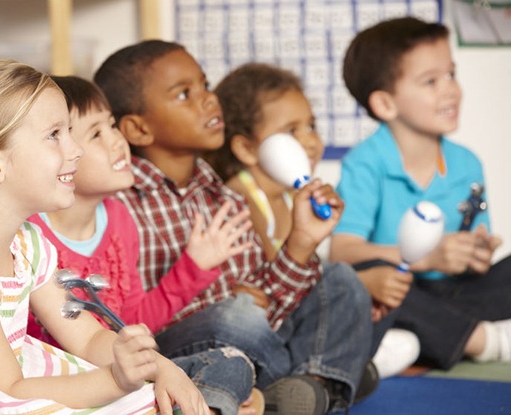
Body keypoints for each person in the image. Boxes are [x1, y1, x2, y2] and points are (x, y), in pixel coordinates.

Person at [0, 58, 210, 415]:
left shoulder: (26, 244)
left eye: (69, 132)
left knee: (151, 398)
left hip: (4, 387)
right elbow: (4, 391)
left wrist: (160, 366)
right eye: (55, 135)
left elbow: (86, 337)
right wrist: (116, 380)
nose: (76, 150)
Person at [94, 40, 377, 415]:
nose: (209, 100)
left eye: (206, 85)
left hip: (252, 341)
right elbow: (129, 322)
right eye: (184, 94)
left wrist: (301, 243)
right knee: (237, 316)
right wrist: (229, 302)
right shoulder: (119, 204)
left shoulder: (221, 196)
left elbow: (267, 306)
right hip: (182, 353)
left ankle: (302, 391)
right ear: (138, 129)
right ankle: (322, 378)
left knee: (340, 280)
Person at [26, 75, 262, 415]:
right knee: (236, 327)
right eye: (96, 134)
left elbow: (132, 320)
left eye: (111, 125)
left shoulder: (119, 218)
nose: (117, 140)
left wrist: (193, 268)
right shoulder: (32, 234)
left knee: (230, 361)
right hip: (74, 384)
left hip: (121, 366)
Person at [205, 61, 421, 379]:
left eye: (311, 126)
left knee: (378, 281)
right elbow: (275, 288)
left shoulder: (292, 196)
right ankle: (340, 370)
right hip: (265, 330)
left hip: (295, 319)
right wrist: (359, 285)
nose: (309, 141)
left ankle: (344, 366)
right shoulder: (241, 198)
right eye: (292, 131)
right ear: (247, 149)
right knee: (348, 280)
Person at [330, 16, 511, 370]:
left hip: (454, 294)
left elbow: (477, 242)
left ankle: (422, 339)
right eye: (430, 81)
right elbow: (342, 251)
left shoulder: (466, 163)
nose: (450, 90)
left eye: (451, 74)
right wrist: (426, 259)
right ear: (385, 104)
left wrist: (477, 253)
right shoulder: (366, 163)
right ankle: (482, 341)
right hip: (400, 293)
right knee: (362, 277)